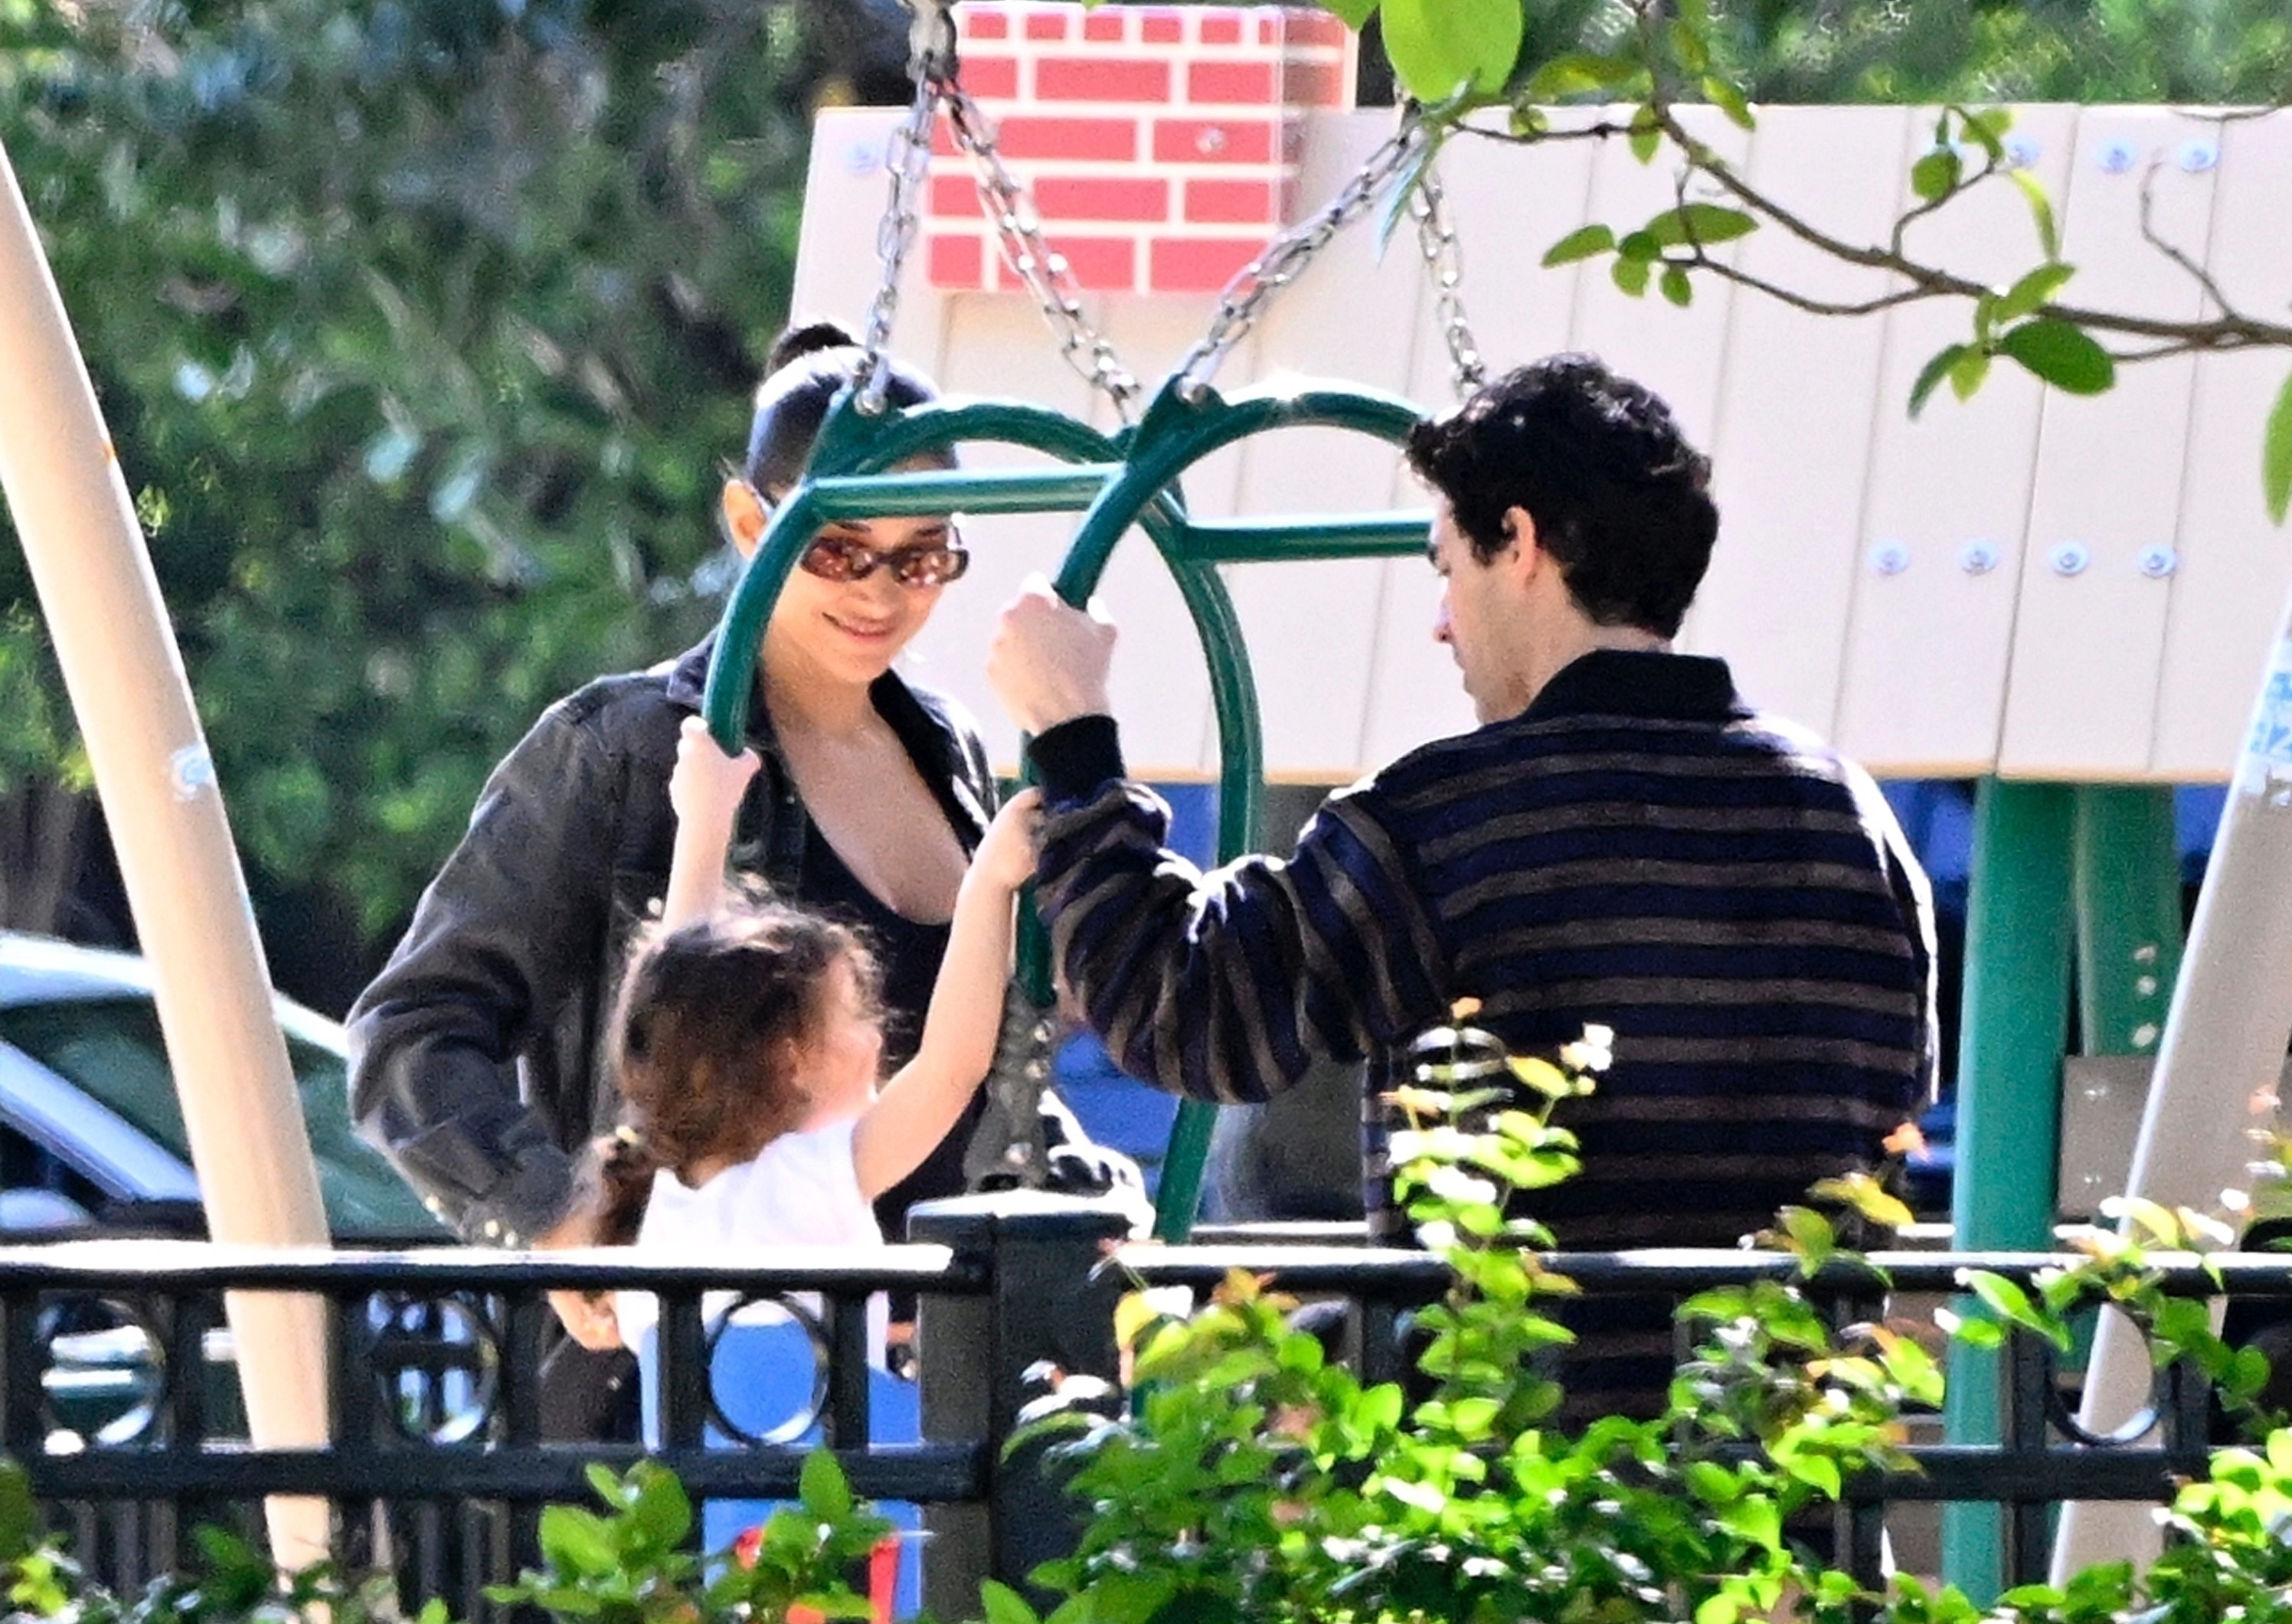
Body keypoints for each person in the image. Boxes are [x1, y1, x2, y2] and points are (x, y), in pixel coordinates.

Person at [987, 353, 1938, 1419]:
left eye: (1447, 567)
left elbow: (1184, 1013)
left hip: (1518, 1508)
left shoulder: (1450, 816)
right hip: (1790, 1513)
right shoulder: (1851, 817)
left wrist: (1074, 742)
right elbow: (1896, 1117)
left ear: (1521, 545)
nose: (1442, 620)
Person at [347, 321, 1124, 1434]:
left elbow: (976, 1073)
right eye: (839, 551)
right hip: (682, 1396)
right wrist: (561, 1218)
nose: (881, 593)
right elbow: (409, 1031)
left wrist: (1078, 1200)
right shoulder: (624, 747)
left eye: (921, 558)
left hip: (934, 1392)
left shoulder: (945, 751)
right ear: (751, 521)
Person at [542, 718, 1041, 1365]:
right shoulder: (811, 1179)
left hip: (688, 1467)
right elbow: (951, 1066)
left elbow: (684, 995)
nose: (879, 1034)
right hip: (822, 1466)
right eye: (856, 1013)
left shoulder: (667, 1194)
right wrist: (990, 884)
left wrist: (705, 818)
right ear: (793, 1060)